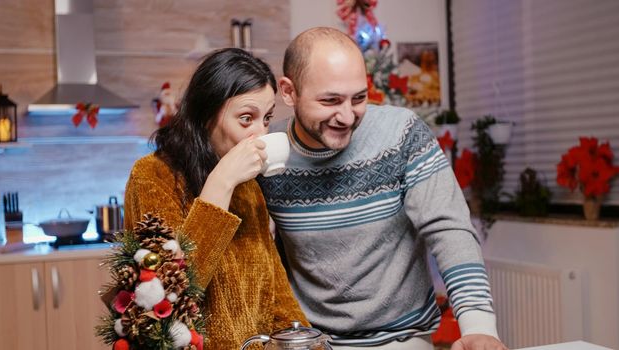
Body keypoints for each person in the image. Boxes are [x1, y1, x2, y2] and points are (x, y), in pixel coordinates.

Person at [257, 27, 507, 350]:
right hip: (312, 341)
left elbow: (450, 227)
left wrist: (478, 324)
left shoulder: (401, 134)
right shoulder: (269, 152)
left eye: (358, 98)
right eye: (330, 100)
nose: (347, 116)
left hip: (401, 339)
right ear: (289, 92)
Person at [123, 48, 308, 349]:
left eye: (267, 119)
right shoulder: (153, 176)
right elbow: (167, 297)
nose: (260, 134)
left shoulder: (249, 188)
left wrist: (304, 340)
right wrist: (220, 184)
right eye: (246, 119)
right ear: (205, 116)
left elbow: (276, 294)